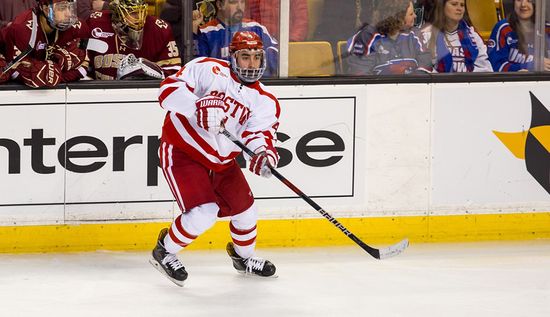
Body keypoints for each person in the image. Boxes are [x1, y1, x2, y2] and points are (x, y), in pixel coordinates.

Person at [150, 30, 280, 286]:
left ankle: (243, 259)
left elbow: (258, 134)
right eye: (245, 57)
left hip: (222, 163)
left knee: (246, 213)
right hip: (183, 151)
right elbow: (167, 92)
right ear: (233, 57)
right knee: (203, 213)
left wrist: (262, 154)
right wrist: (196, 106)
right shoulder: (206, 69)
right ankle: (164, 250)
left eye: (256, 57)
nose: (252, 63)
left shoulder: (266, 101)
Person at [1, 0, 90, 88]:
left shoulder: (78, 28)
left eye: (70, 7)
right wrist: (54, 72)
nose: (69, 14)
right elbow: (14, 71)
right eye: (62, 8)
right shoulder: (21, 29)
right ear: (45, 8)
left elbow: (82, 68)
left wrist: (53, 76)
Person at [86, 0, 181, 80]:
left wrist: (148, 75)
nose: (138, 18)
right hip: (101, 95)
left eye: (141, 11)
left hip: (142, 95)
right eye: (132, 12)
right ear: (117, 11)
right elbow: (83, 69)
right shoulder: (95, 23)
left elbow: (173, 74)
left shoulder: (159, 29)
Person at [347, 0, 433, 75]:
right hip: (377, 91)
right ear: (398, 18)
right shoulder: (368, 36)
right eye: (411, 14)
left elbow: (426, 65)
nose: (415, 16)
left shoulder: (415, 35)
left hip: (411, 90)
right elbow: (360, 73)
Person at [195, 0, 278, 77]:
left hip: (252, 87)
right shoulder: (205, 33)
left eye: (242, 2)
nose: (239, 7)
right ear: (219, 5)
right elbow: (200, 70)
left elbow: (276, 54)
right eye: (233, 2)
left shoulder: (256, 28)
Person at [419, 0, 493, 72]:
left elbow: (486, 68)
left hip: (470, 82)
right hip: (440, 83)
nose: (459, 8)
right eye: (454, 4)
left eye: (462, 5)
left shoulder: (473, 36)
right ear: (442, 7)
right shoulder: (427, 36)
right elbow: (424, 70)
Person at [488, 0, 550, 72]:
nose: (523, 4)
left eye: (529, 0)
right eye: (519, 0)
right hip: (512, 82)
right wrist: (529, 66)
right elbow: (495, 67)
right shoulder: (503, 28)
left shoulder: (547, 29)